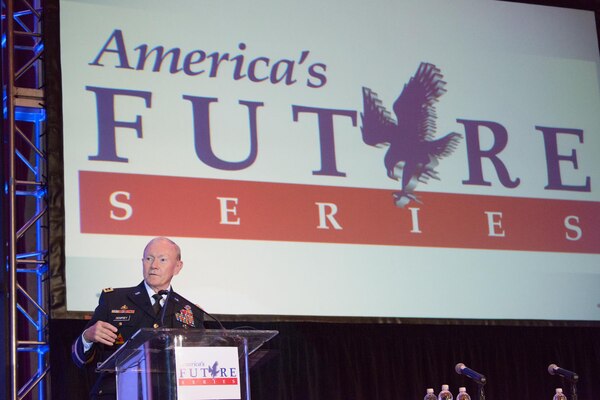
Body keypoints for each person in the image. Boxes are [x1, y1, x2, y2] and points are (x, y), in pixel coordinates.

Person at [72, 237, 205, 399]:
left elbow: (199, 363)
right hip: (119, 393)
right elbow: (79, 358)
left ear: (177, 267)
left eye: (162, 260)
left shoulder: (190, 311)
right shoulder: (114, 300)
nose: (154, 265)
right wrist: (88, 337)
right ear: (142, 262)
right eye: (149, 259)